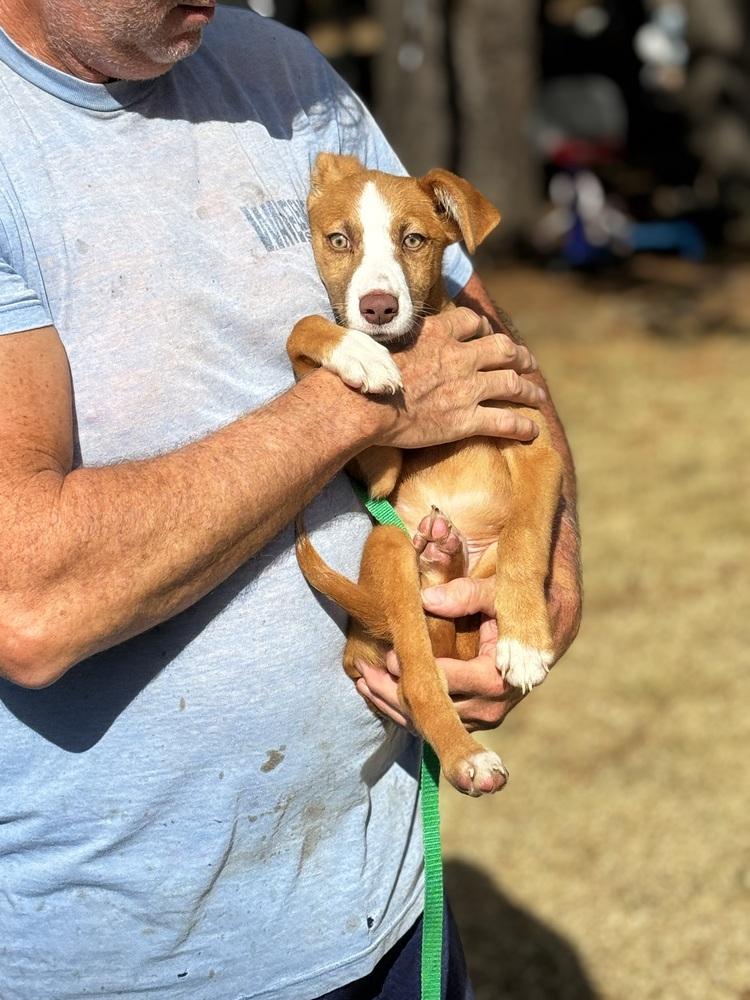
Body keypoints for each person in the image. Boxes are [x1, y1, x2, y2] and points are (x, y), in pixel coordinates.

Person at [0, 2, 581, 998]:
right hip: (116, 950)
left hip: (384, 893)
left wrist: (540, 577)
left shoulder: (284, 74)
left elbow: (480, 344)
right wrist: (352, 415)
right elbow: (30, 601)